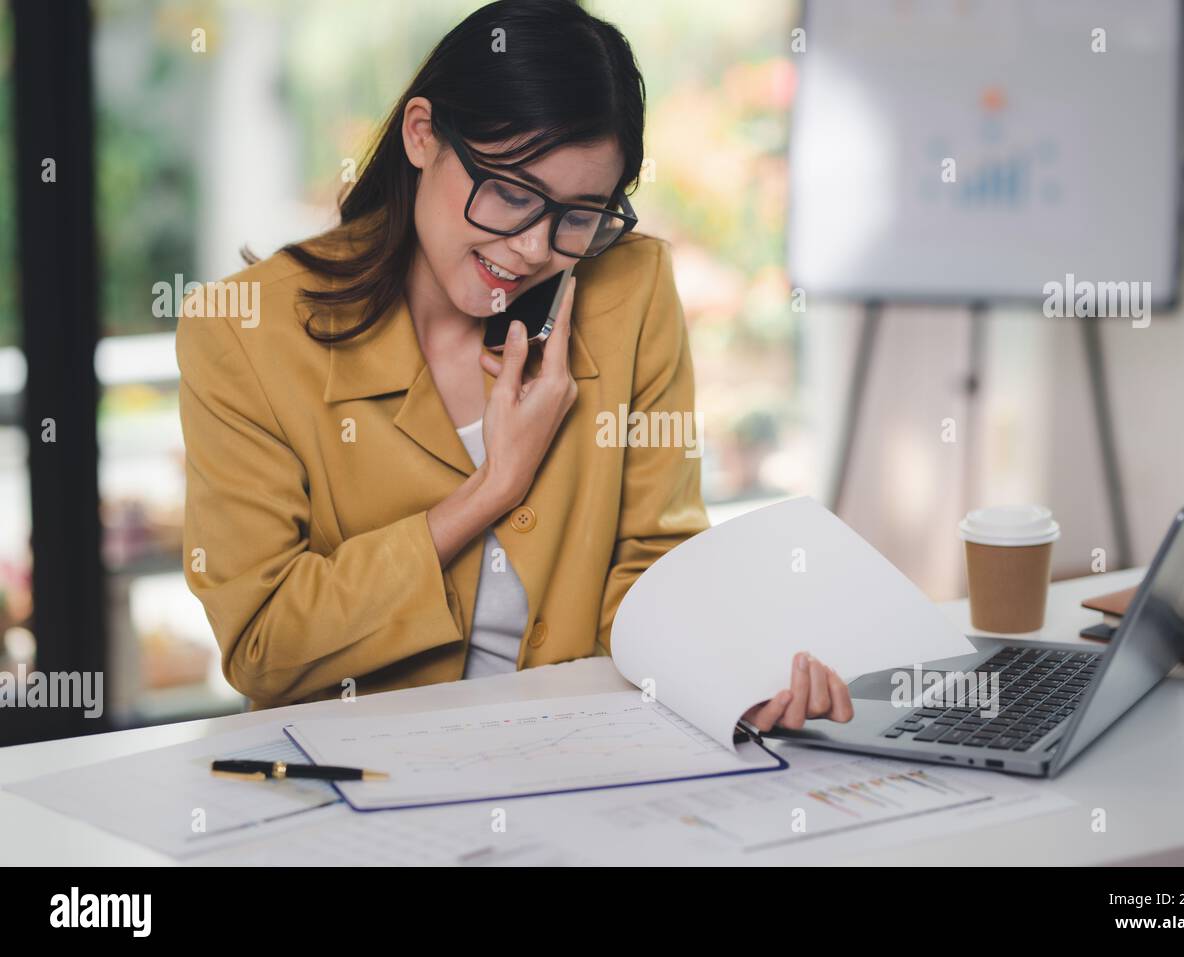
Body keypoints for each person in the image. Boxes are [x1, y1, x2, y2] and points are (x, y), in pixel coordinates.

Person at [177, 0, 853, 732]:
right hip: (361, 774)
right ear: (422, 134)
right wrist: (491, 489)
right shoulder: (247, 332)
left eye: (580, 214)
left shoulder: (629, 291)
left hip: (587, 758)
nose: (534, 248)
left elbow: (655, 567)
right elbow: (263, 643)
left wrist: (723, 679)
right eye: (508, 192)